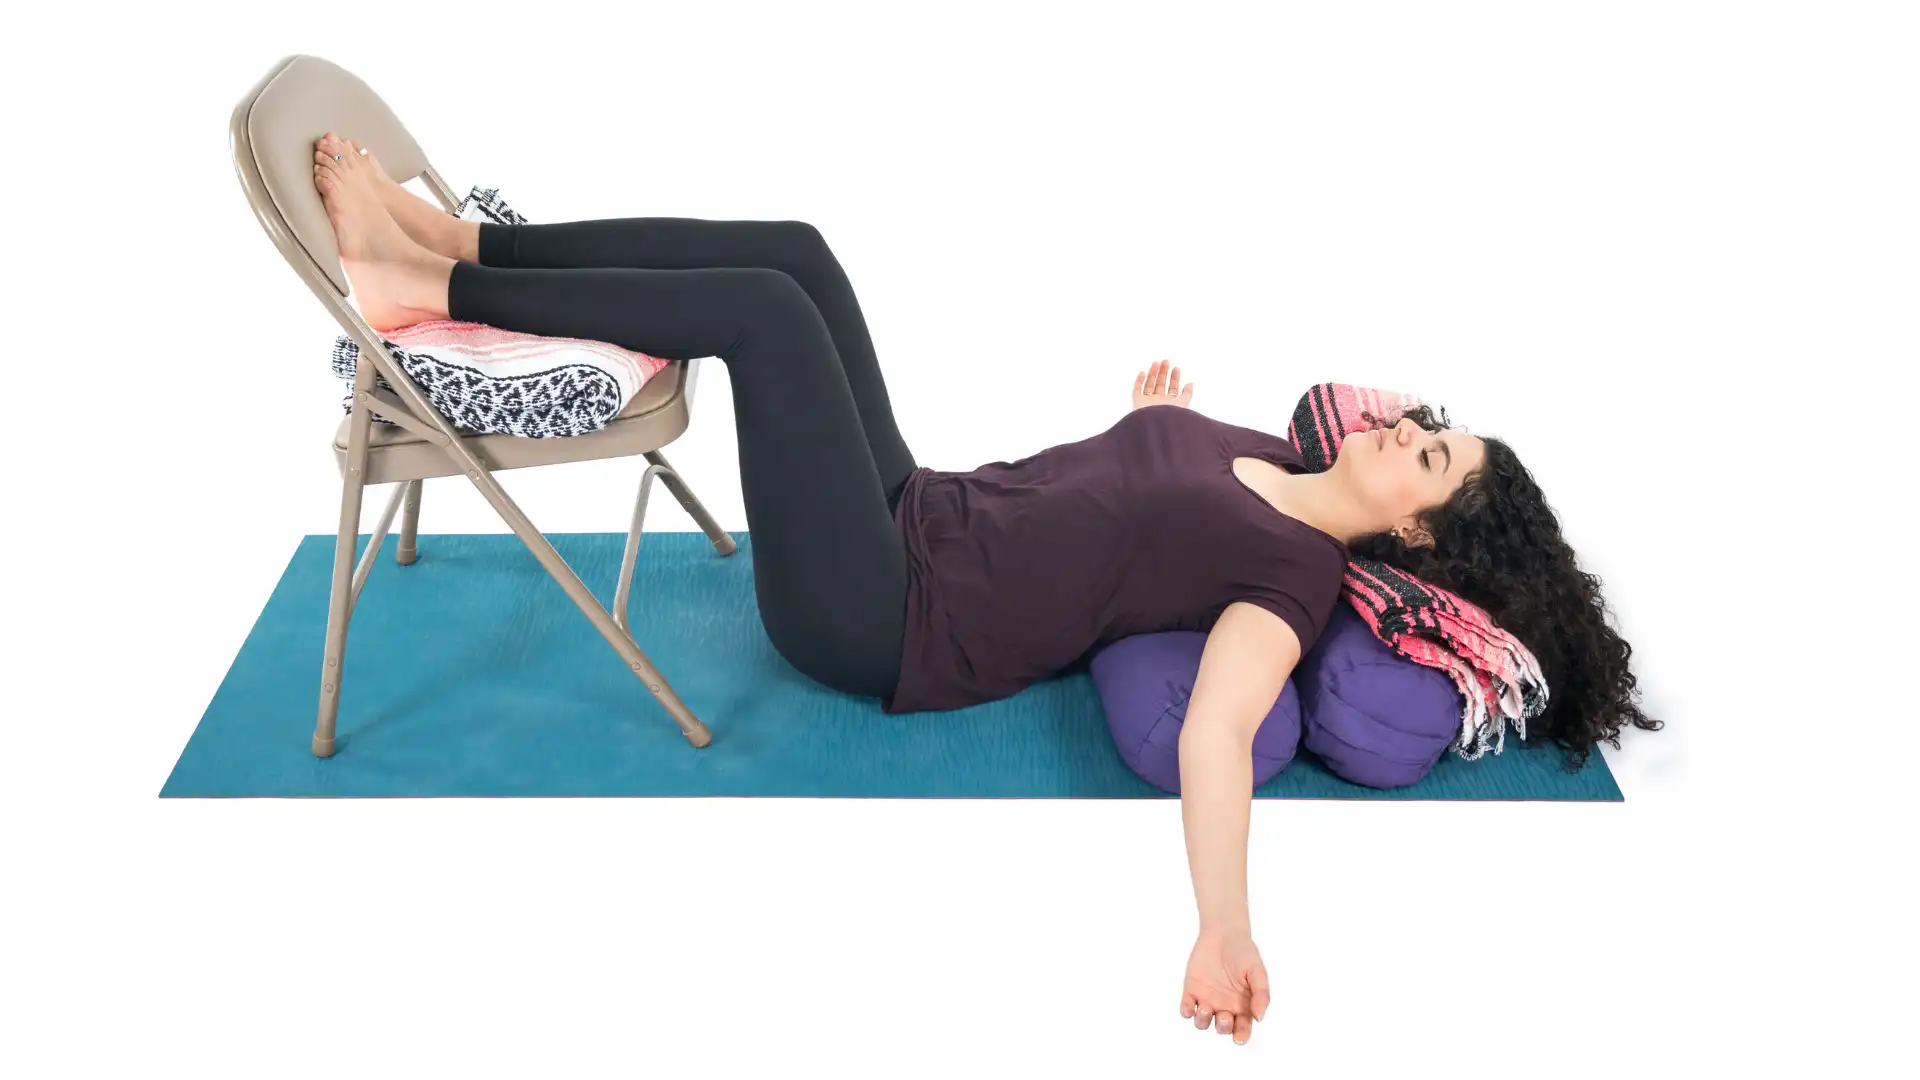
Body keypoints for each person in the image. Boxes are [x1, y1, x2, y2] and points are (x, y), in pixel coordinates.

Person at [309, 132, 1659, 1047]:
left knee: (766, 320)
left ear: (1420, 538)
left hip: (884, 614)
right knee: (800, 252)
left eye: (1422, 455)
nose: (1391, 430)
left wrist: (1223, 930)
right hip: (923, 505)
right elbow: (1129, 506)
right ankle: (451, 242)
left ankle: (416, 277)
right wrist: (1155, 423)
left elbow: (1213, 739)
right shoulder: (1266, 450)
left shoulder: (1291, 581)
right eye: (1418, 420)